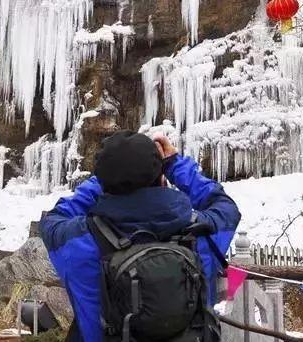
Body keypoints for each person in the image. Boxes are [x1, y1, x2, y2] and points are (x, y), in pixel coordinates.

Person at [40, 130, 241, 342]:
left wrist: (107, 175)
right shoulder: (201, 232)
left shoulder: (78, 240)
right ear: (162, 178)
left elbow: (53, 220)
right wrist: (174, 163)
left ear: (104, 183)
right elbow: (225, 206)